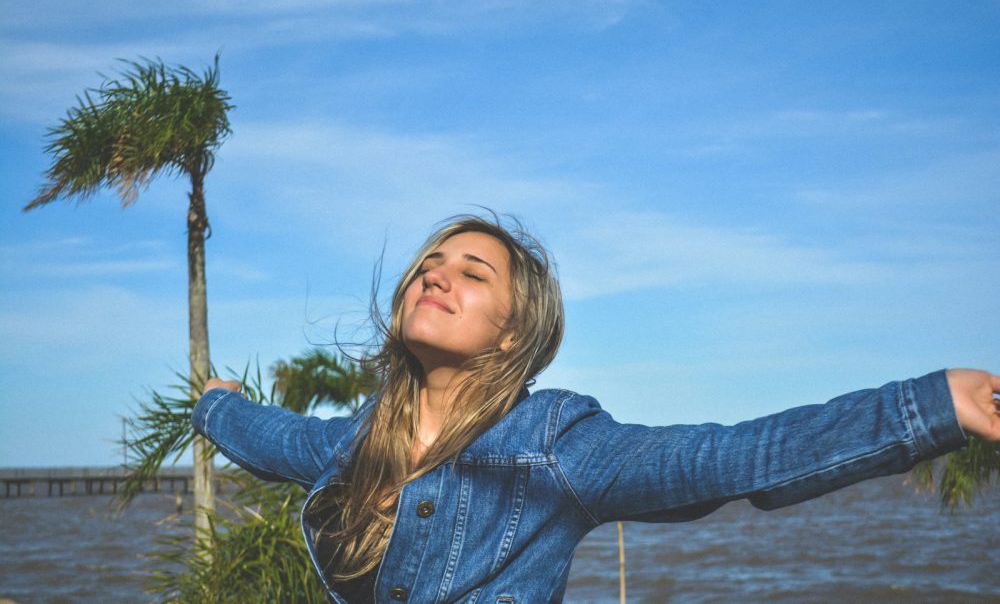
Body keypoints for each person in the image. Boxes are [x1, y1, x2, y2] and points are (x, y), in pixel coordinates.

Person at [193, 214, 1000, 603]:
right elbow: (272, 436)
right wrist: (216, 407)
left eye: (473, 272)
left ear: (513, 334)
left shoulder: (556, 447)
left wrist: (928, 407)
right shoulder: (357, 443)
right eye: (429, 264)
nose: (435, 276)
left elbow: (727, 456)